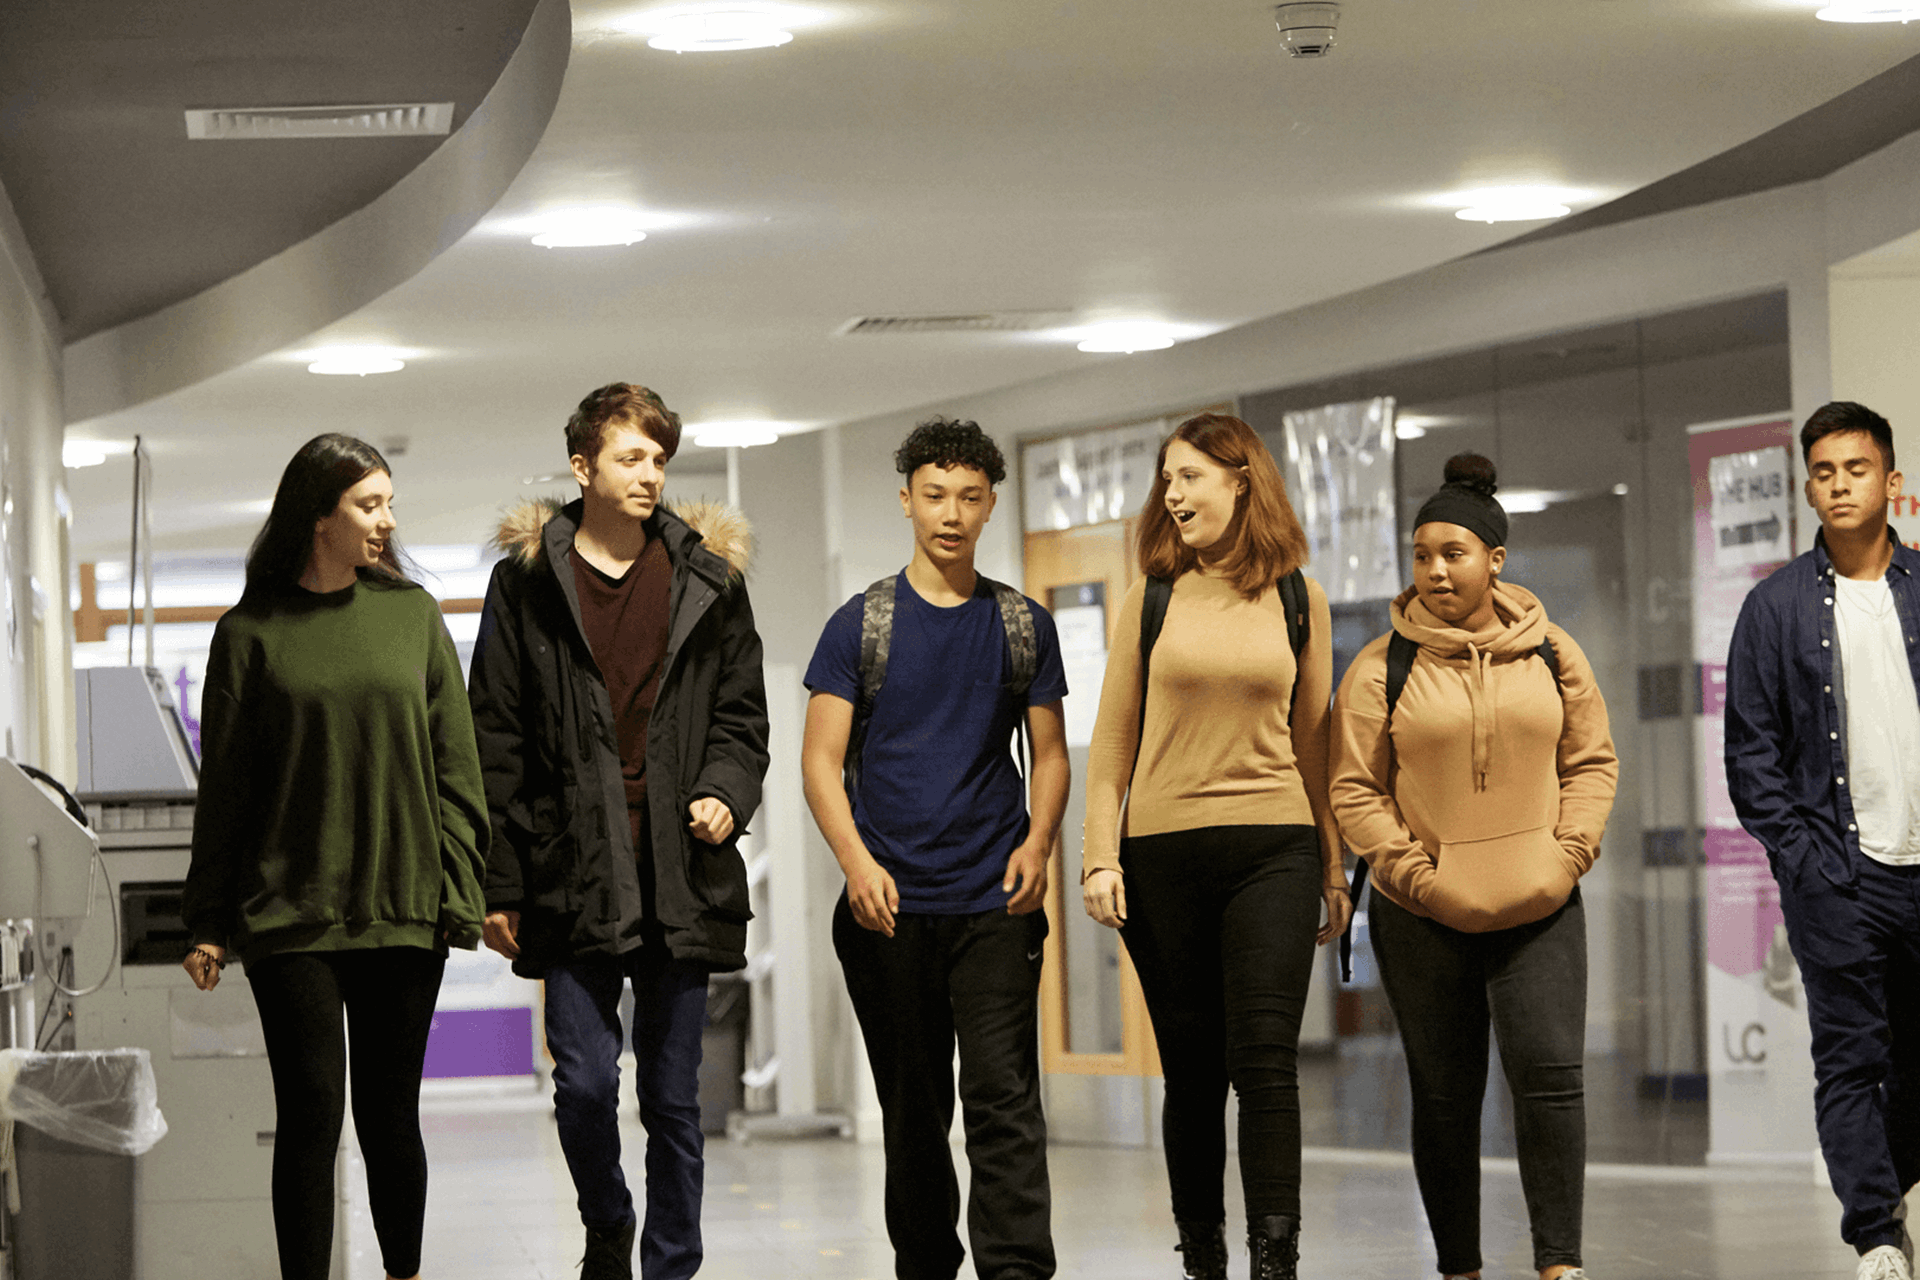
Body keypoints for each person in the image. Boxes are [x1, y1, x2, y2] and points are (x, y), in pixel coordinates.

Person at [468, 383, 769, 1280]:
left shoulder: (708, 577)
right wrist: (499, 882)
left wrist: (725, 789)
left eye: (660, 459)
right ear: (583, 466)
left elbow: (741, 718)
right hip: (573, 873)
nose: (651, 475)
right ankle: (608, 1225)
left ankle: (671, 1265)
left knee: (675, 1100)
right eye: (632, 457)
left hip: (683, 867)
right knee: (588, 1086)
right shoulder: (524, 585)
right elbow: (497, 737)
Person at [181, 433, 489, 1280]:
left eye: (389, 502)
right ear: (319, 517)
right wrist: (207, 920)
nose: (386, 521)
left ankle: (402, 1274)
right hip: (290, 912)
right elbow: (228, 794)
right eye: (368, 504)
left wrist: (460, 896)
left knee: (391, 1115)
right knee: (312, 1113)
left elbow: (458, 771)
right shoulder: (249, 633)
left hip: (402, 908)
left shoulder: (413, 617)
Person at [1329, 452, 1617, 1280]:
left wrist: (1567, 858)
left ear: (1495, 559)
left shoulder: (1554, 655)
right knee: (1446, 1095)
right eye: (1421, 556)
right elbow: (1354, 789)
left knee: (1551, 1084)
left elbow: (1592, 765)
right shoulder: (1381, 667)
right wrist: (1417, 877)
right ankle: (1459, 1266)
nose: (1434, 572)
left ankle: (1560, 1264)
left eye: (1452, 554)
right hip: (1422, 913)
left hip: (1542, 905)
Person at [1081, 412, 1349, 1280]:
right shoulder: (1149, 596)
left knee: (1266, 1060)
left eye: (1190, 476)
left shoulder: (1299, 596)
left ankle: (1277, 1260)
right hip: (1161, 856)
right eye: (1168, 478)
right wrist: (1098, 857)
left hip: (1276, 846)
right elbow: (1112, 743)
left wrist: (1336, 865)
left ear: (1242, 481)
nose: (1173, 492)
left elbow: (1316, 741)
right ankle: (1204, 1257)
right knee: (1192, 1074)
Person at [801, 416, 1070, 1280]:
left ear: (990, 504)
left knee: (1003, 1103)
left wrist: (1040, 841)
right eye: (934, 495)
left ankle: (1018, 1270)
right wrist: (856, 863)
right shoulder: (862, 624)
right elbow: (820, 760)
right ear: (907, 501)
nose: (950, 513)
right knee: (913, 1110)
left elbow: (1053, 756)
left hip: (995, 901)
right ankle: (925, 1265)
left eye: (968, 497)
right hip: (890, 910)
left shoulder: (1022, 623)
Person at [1725, 401, 1920, 1280]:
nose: (1840, 485)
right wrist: (1805, 866)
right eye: (1824, 472)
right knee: (1850, 1054)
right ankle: (1876, 1232)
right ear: (1809, 485)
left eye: (1857, 468)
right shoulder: (1773, 608)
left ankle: (1884, 1179)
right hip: (1839, 875)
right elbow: (1751, 756)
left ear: (1892, 482)